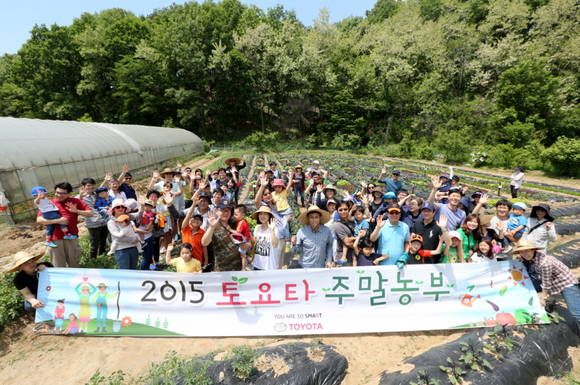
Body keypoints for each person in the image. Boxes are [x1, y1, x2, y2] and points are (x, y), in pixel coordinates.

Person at [515, 239, 580, 324]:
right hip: (554, 282)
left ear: (533, 250)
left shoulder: (544, 263)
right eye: (522, 252)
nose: (525, 254)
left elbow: (546, 284)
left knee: (576, 312)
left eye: (527, 251)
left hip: (566, 283)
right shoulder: (533, 259)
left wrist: (543, 297)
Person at [36, 182, 93, 268]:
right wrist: (58, 220)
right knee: (58, 266)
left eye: (63, 193)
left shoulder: (75, 201)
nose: (59, 195)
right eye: (57, 192)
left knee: (75, 264)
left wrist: (77, 211)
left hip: (72, 238)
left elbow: (90, 213)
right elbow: (39, 220)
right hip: (55, 240)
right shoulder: (49, 203)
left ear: (69, 193)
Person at [202, 204, 249, 271]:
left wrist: (246, 245)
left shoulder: (236, 222)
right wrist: (211, 227)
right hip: (222, 269)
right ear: (217, 211)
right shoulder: (214, 225)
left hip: (239, 268)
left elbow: (249, 240)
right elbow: (204, 243)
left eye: (228, 210)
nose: (226, 213)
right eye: (223, 210)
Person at [78, 178, 110, 259]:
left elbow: (101, 188)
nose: (90, 187)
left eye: (92, 186)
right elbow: (76, 204)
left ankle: (102, 257)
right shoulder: (80, 197)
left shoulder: (96, 194)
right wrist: (80, 197)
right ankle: (93, 260)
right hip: (92, 224)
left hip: (103, 221)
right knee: (94, 243)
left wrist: (105, 180)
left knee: (103, 241)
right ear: (83, 187)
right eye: (88, 186)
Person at [107, 200, 141, 270]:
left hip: (133, 248)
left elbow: (138, 215)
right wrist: (133, 240)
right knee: (124, 271)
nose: (120, 208)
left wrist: (142, 207)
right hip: (121, 250)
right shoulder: (111, 222)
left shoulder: (128, 218)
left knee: (134, 270)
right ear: (113, 210)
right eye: (118, 207)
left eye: (122, 207)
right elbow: (117, 237)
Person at [251, 206, 280, 270]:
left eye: (265, 214)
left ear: (269, 216)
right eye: (260, 214)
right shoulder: (257, 228)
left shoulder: (275, 228)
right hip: (257, 264)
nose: (262, 216)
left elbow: (275, 244)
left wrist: (272, 229)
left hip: (269, 266)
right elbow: (254, 244)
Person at [333, 201, 356, 265]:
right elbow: (347, 242)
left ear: (349, 209)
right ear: (337, 211)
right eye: (340, 210)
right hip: (343, 258)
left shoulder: (353, 222)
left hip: (354, 255)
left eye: (345, 209)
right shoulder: (337, 225)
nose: (343, 211)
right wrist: (359, 248)